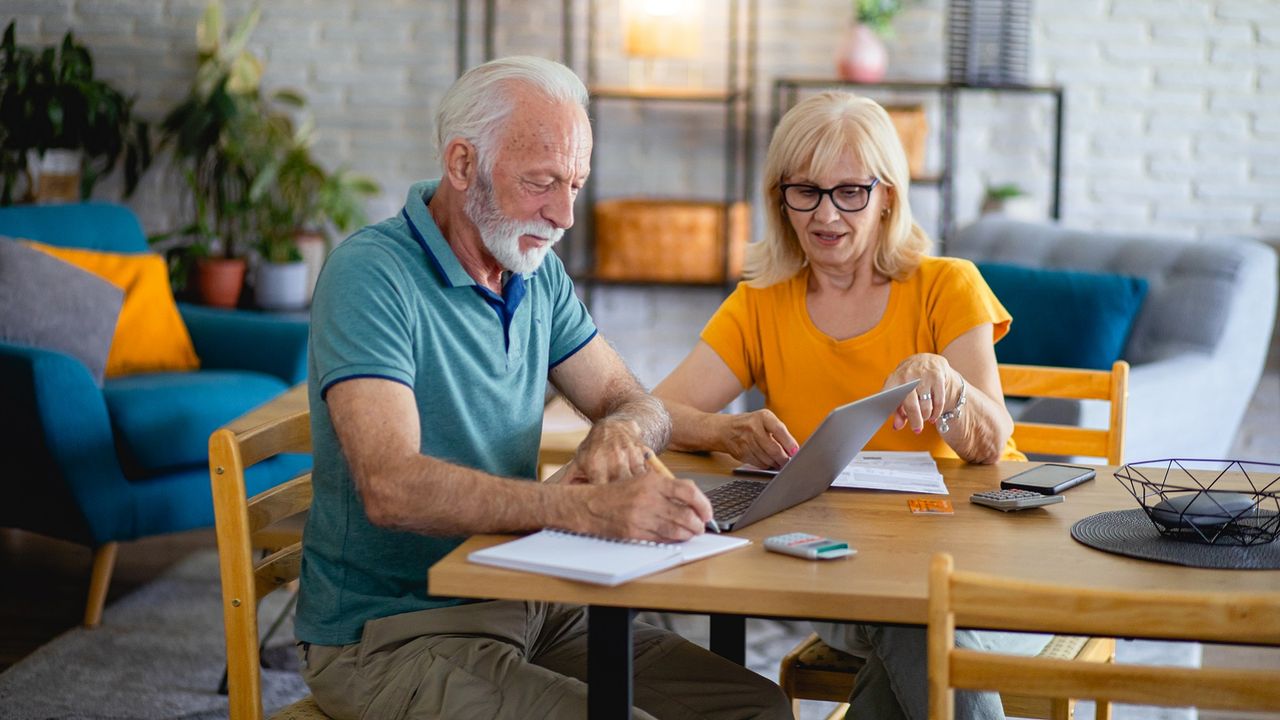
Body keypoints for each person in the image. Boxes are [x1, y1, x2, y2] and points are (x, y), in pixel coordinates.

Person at [295, 56, 790, 720]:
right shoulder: (371, 277)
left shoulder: (533, 269)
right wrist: (585, 510)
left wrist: (622, 429)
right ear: (463, 165)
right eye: (540, 183)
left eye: (576, 184)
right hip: (393, 636)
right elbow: (390, 486)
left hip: (523, 600)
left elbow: (625, 395)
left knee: (752, 707)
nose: (563, 214)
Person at [653, 91, 1048, 720]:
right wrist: (728, 430)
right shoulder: (761, 303)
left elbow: (991, 442)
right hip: (840, 566)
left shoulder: (946, 284)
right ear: (779, 196)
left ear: (887, 194)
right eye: (804, 190)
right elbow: (656, 416)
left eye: (850, 192)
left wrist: (944, 382)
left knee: (916, 626)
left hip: (975, 556)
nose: (825, 213)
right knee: (914, 622)